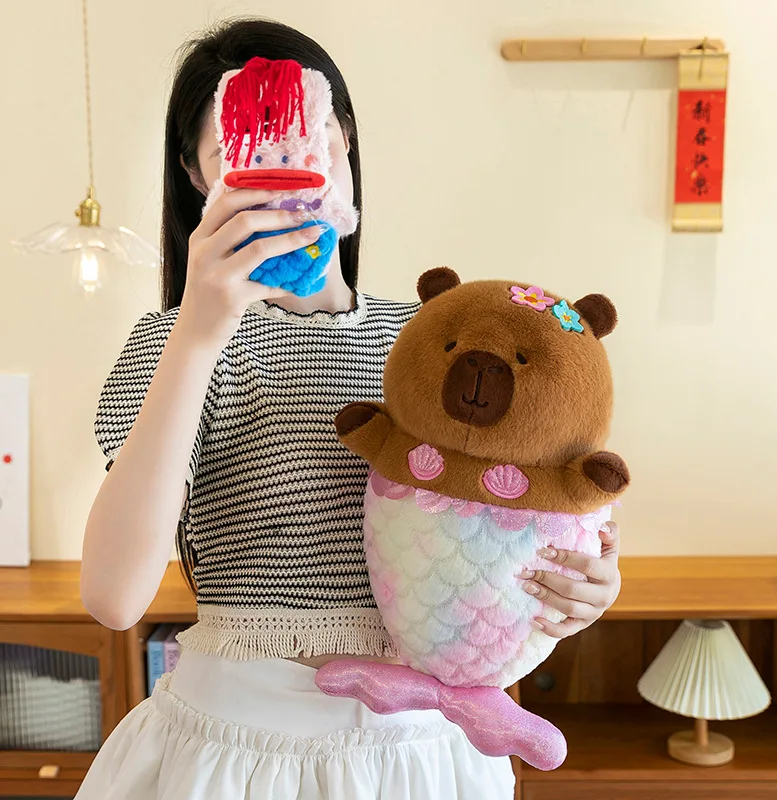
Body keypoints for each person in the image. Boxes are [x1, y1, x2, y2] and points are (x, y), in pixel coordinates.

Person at [76, 17, 622, 800]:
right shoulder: (172, 344)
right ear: (199, 175)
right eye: (244, 150)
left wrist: (587, 585)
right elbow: (114, 596)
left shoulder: (432, 340)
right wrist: (199, 328)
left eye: (311, 136)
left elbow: (520, 513)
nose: (289, 170)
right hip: (235, 751)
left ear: (346, 142)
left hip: (423, 751)